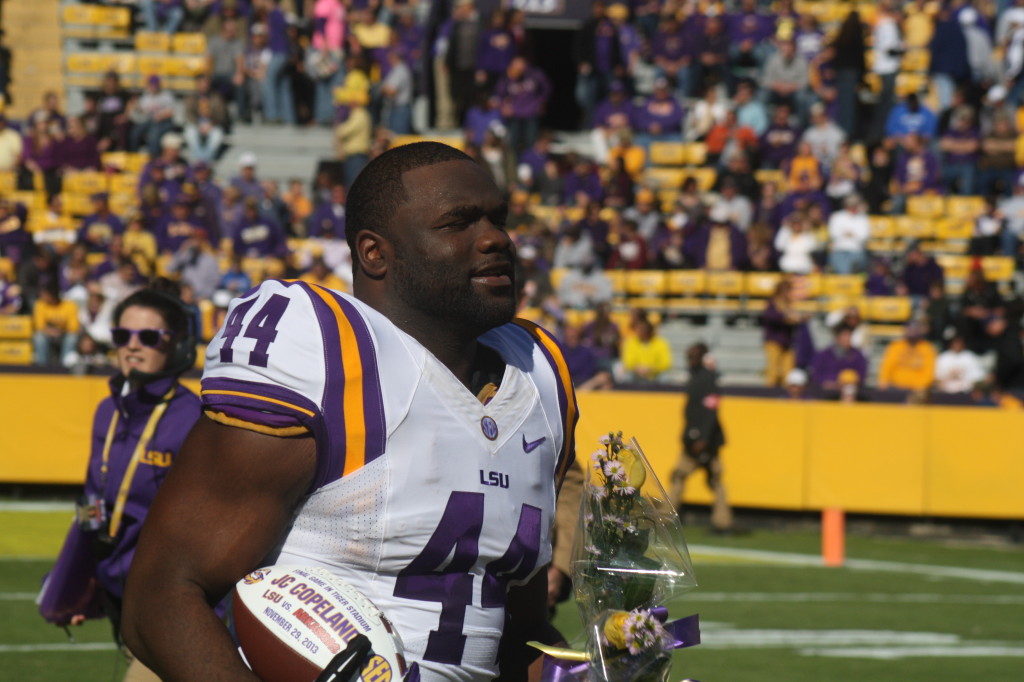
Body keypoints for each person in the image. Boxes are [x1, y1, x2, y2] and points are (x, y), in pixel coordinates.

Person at [121, 143, 576, 681]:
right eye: (458, 222)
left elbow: (516, 632)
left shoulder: (538, 373)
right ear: (374, 253)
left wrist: (600, 664)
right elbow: (161, 598)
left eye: (498, 219)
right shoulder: (329, 352)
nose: (496, 238)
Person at [38, 282, 200, 680]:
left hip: (170, 607)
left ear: (176, 345)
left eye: (147, 336)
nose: (132, 345)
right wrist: (70, 585)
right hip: (119, 600)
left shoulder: (195, 419)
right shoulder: (106, 412)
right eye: (121, 335)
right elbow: (91, 505)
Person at [670, 343, 733, 534]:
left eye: (693, 357)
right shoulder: (699, 377)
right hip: (696, 441)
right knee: (687, 477)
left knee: (711, 480)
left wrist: (702, 438)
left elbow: (710, 411)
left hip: (705, 442)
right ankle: (668, 517)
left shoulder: (707, 379)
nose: (690, 361)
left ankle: (722, 522)